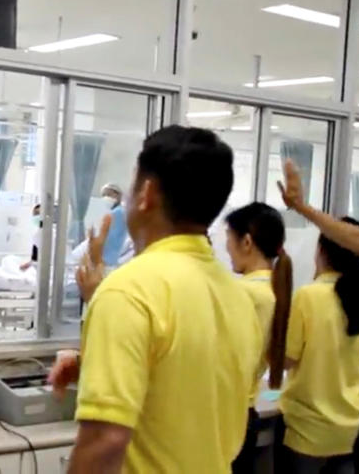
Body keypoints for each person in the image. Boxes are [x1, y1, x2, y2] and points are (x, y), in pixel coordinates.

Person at [49, 125, 261, 473]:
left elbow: (105, 441)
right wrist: (92, 363)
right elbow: (188, 381)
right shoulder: (236, 297)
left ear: (146, 193)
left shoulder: (128, 292)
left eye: (131, 186)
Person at [278, 161, 359, 473]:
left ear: (323, 252)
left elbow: (287, 360)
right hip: (351, 426)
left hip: (309, 432)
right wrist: (303, 208)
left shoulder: (309, 295)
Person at [224, 203, 294, 474]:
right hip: (247, 414)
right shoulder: (275, 290)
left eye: (229, 240)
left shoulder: (241, 293)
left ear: (247, 242)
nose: (227, 249)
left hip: (224, 418)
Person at [21, 204, 41, 272]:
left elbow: (36, 259)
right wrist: (28, 264)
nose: (37, 216)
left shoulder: (45, 234)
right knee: (8, 260)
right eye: (35, 214)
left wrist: (28, 265)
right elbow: (35, 258)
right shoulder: (38, 234)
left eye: (39, 213)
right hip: (36, 266)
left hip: (40, 268)